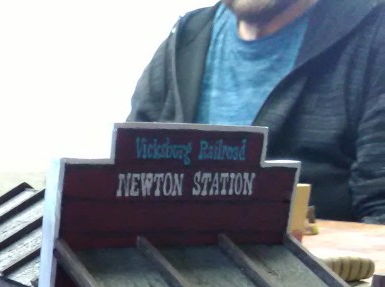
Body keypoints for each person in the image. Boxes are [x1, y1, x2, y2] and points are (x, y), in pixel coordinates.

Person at [128, 0, 385, 223]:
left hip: (323, 263)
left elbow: (380, 215)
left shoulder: (374, 36)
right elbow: (128, 190)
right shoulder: (186, 39)